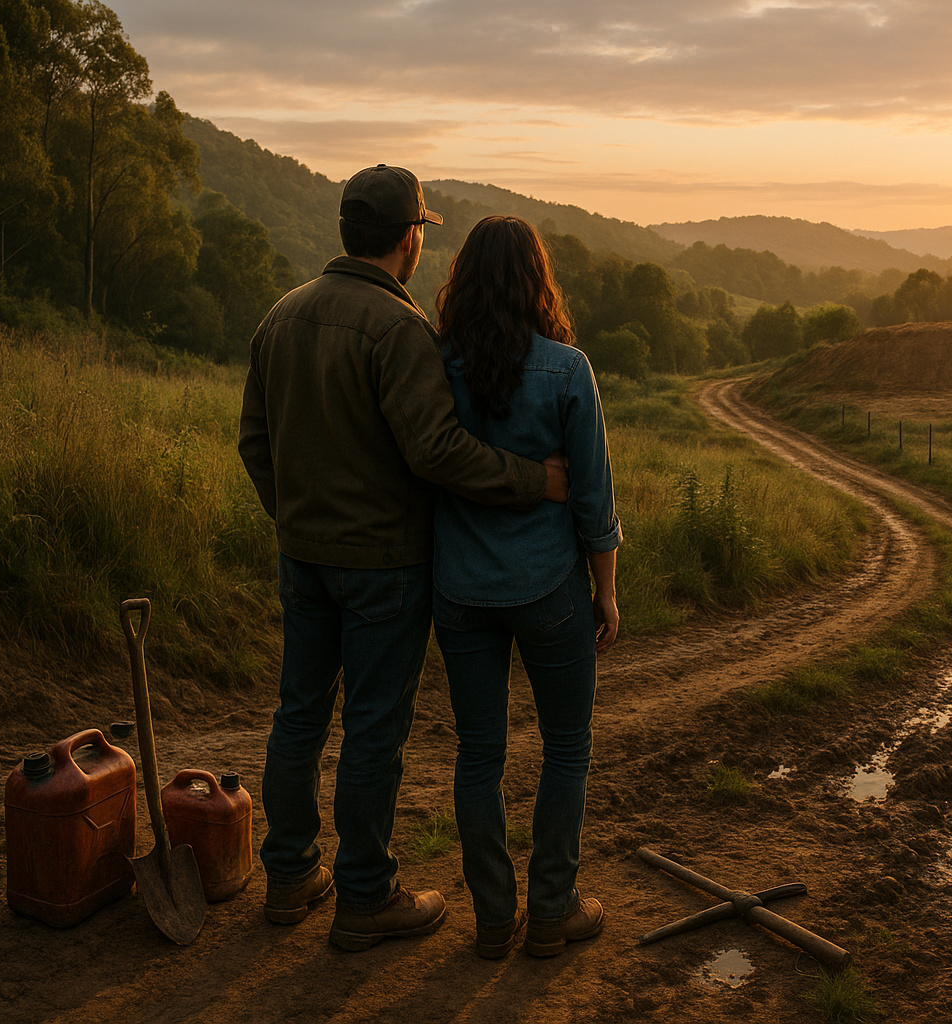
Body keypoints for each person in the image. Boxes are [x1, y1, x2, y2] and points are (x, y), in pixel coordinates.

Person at [238, 166, 569, 952]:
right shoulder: (398, 330)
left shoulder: (280, 317)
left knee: (298, 715)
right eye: (421, 229)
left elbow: (255, 442)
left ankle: (288, 877)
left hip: (303, 556)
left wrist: (293, 517)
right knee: (373, 731)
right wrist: (535, 481)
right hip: (384, 567)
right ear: (408, 238)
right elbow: (438, 451)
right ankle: (365, 898)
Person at [431, 215, 621, 959]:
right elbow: (593, 502)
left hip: (460, 592)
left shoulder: (433, 367)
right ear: (538, 279)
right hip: (549, 590)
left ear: (463, 280)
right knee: (566, 748)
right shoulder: (567, 370)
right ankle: (552, 911)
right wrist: (605, 592)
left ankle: (490, 918)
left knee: (478, 755)